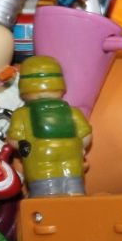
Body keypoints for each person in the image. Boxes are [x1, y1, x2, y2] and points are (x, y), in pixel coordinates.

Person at [6, 56, 91, 197]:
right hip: (62, 162)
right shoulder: (72, 111)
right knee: (71, 192)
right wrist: (79, 147)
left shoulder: (21, 114)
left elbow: (14, 138)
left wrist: (22, 145)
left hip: (42, 164)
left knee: (49, 195)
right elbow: (85, 135)